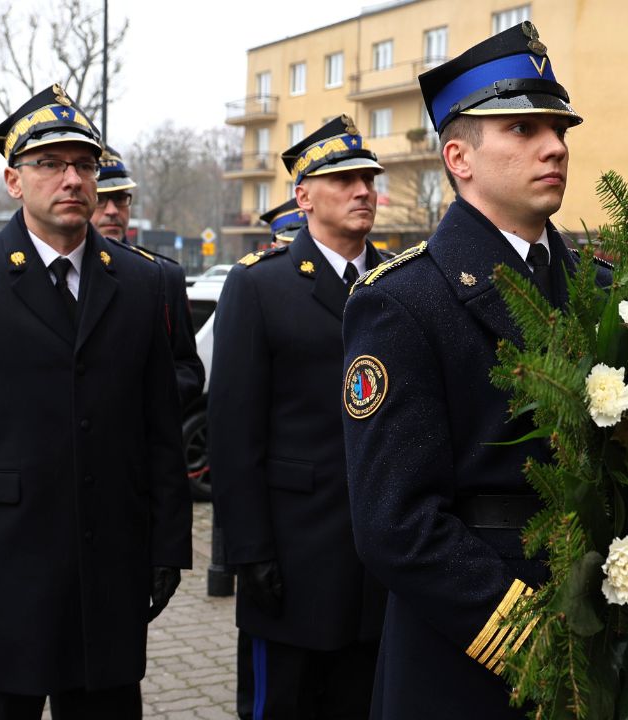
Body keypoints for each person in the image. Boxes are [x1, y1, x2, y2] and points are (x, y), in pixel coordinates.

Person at [341, 22, 611, 718]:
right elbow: (395, 524)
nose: (554, 146)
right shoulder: (404, 301)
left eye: (558, 128)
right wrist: (534, 640)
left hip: (608, 623)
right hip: (472, 650)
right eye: (521, 128)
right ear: (458, 157)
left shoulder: (603, 289)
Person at [0, 84, 191, 719]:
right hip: (3, 576)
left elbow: (159, 431)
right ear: (13, 180)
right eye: (50, 164)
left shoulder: (141, 282)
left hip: (110, 575)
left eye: (84, 164)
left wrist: (169, 547)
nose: (72, 179)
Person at [208, 115, 388, 719]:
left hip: (382, 562)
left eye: (367, 178)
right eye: (344, 181)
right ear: (303, 196)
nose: (362, 190)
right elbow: (234, 432)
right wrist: (247, 549)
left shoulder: (401, 279)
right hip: (294, 556)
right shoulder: (261, 286)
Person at [91, 144, 204, 408]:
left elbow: (188, 369)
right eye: (100, 199)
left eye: (120, 198)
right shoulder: (59, 272)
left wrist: (149, 404)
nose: (112, 211)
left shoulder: (163, 276)